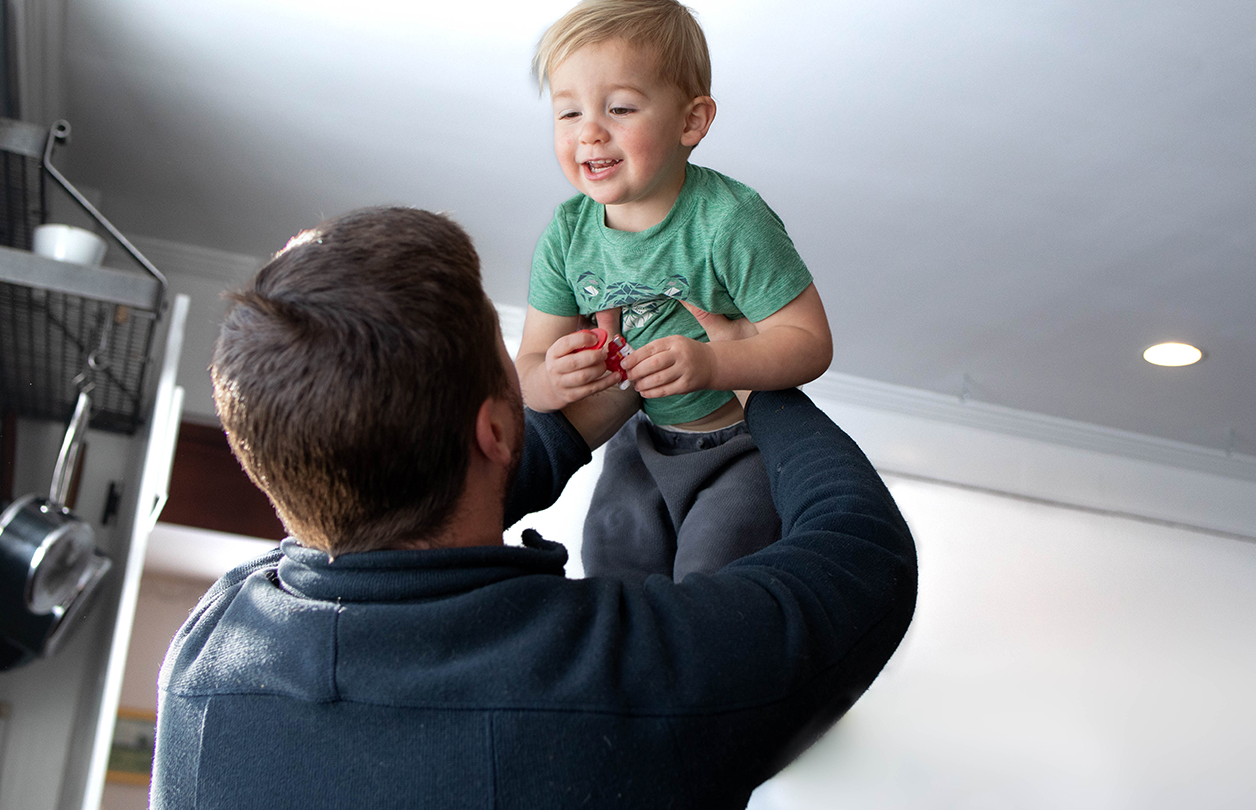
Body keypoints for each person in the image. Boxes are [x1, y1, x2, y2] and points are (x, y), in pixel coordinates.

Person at [149, 207, 916, 810]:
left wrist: (610, 388)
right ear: (492, 427)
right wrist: (747, 373)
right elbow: (861, 553)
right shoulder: (636, 682)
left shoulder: (208, 659)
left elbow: (393, 514)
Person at [517, 0, 834, 584]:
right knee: (610, 563)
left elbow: (810, 343)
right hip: (639, 438)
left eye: (619, 108)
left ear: (691, 122)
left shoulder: (730, 221)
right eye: (567, 113)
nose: (589, 131)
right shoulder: (567, 235)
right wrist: (552, 379)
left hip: (740, 446)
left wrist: (714, 362)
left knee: (711, 576)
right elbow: (530, 371)